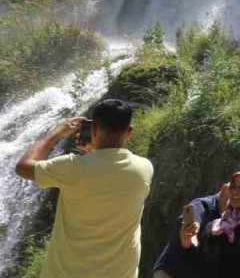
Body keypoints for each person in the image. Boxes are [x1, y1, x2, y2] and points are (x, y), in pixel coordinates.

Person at [14, 98, 154, 278]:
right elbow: (106, 172)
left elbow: (23, 167)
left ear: (94, 128)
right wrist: (93, 154)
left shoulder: (71, 168)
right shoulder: (144, 168)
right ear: (129, 132)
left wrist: (56, 133)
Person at [153, 185, 228, 278]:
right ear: (224, 189)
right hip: (170, 272)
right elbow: (193, 212)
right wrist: (193, 225)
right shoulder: (204, 204)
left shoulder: (232, 217)